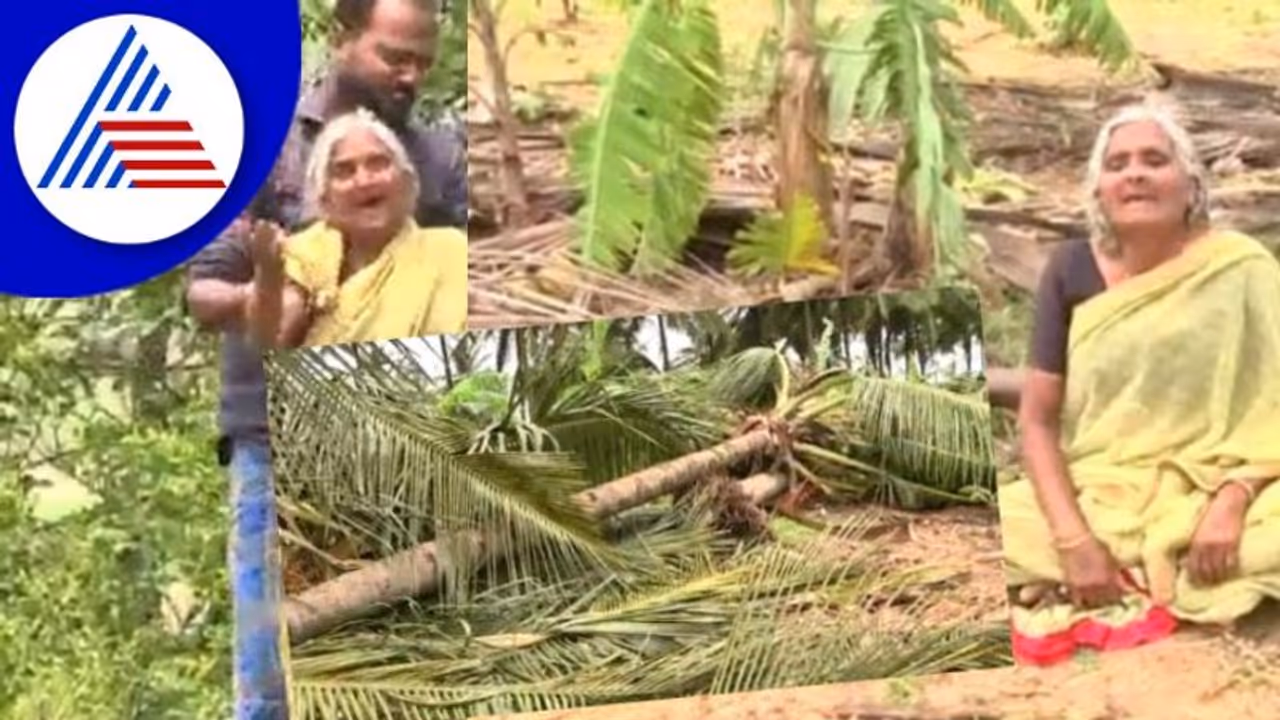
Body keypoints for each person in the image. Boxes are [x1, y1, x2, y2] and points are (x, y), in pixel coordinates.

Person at [181, 1, 465, 717]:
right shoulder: (261, 144)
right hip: (275, 438)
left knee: (400, 647)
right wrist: (279, 288)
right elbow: (203, 290)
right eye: (394, 56)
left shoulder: (438, 157)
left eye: (424, 62)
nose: (410, 76)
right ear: (342, 38)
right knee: (274, 661)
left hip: (406, 432)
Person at [1001, 103, 1280, 667]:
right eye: (1118, 164)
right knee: (999, 523)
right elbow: (1037, 419)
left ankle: (1144, 568)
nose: (1135, 173)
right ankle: (1126, 566)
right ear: (1098, 191)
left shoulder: (1241, 268)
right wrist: (1075, 542)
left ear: (1190, 185)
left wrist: (1232, 498)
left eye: (1155, 159)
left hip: (1229, 484)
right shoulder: (1070, 269)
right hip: (1102, 488)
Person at [246, 109, 467, 348]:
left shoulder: (449, 251)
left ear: (406, 180)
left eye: (378, 164)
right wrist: (268, 273)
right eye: (344, 171)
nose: (364, 181)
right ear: (324, 197)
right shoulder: (305, 255)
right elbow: (270, 342)